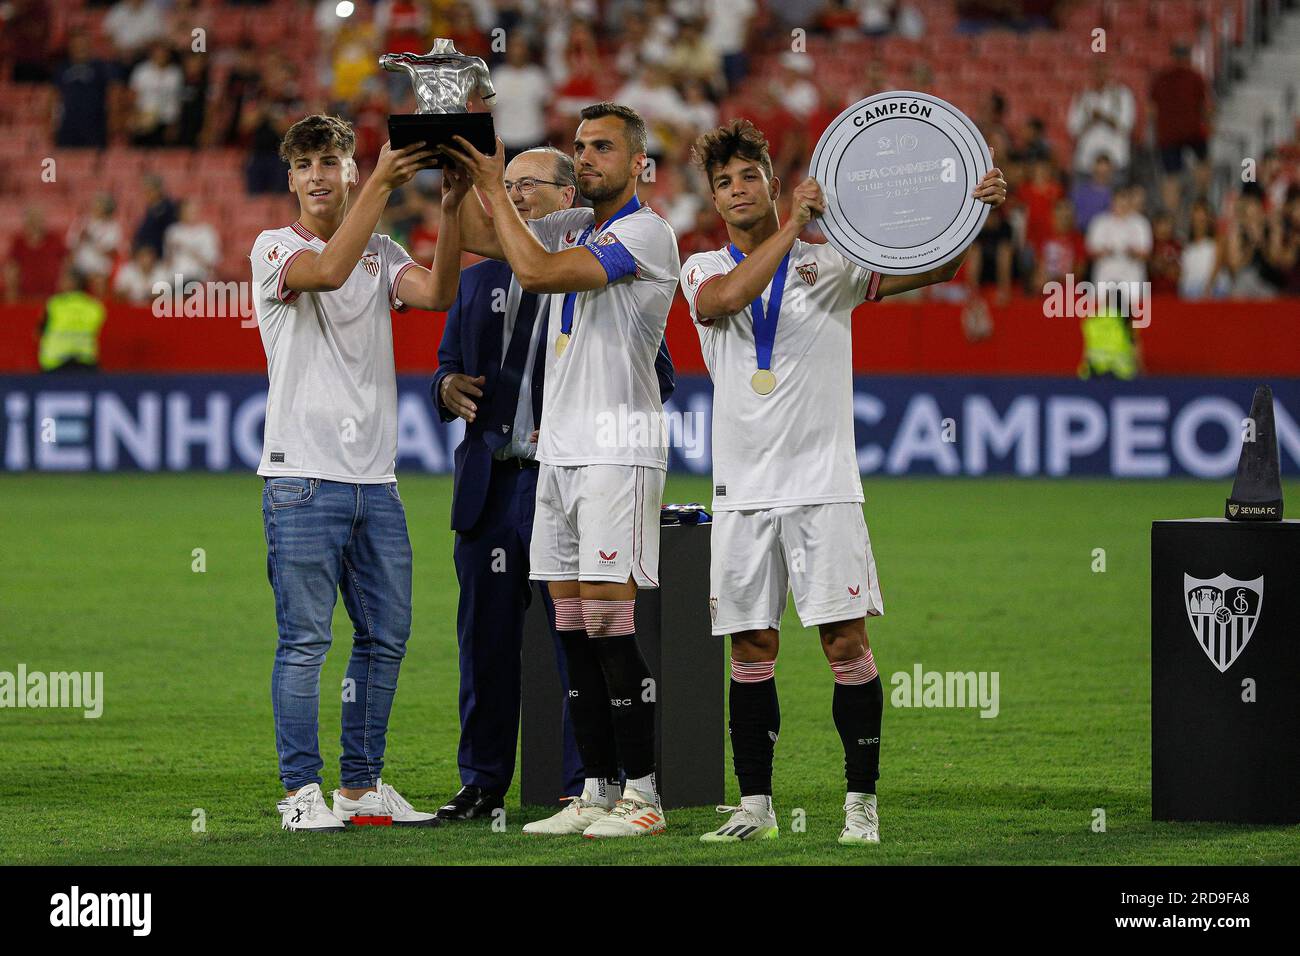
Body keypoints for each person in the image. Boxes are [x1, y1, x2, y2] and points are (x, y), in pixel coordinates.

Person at [678, 119, 1006, 845]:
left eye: (749, 177)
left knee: (844, 645)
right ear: (712, 196)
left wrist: (976, 207)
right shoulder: (699, 267)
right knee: (750, 650)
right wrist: (793, 228)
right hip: (741, 491)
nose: (737, 191)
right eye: (723, 182)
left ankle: (861, 805)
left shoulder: (835, 264)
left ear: (771, 178)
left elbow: (938, 268)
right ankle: (754, 808)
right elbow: (725, 301)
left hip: (824, 486)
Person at [443, 103, 680, 838]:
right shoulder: (578, 226)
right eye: (579, 145)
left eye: (603, 146)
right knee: (574, 628)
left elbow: (539, 273)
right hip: (561, 455)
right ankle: (597, 790)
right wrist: (463, 180)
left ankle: (644, 797)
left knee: (611, 623)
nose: (587, 156)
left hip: (618, 449)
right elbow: (486, 237)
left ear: (638, 162)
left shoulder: (645, 232)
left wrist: (491, 176)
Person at [249, 114, 457, 832]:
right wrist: (382, 182)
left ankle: (362, 788)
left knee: (386, 635)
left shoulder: (381, 246)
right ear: (291, 178)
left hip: (377, 480)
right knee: (305, 642)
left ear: (345, 170)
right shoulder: (274, 247)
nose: (315, 175)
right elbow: (328, 271)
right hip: (301, 475)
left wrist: (454, 200)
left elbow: (435, 295)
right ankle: (299, 792)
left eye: (329, 161)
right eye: (304, 163)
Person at [1067, 59, 1135, 176]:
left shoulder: (1122, 95)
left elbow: (1126, 126)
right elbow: (1073, 130)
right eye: (1096, 70)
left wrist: (1103, 116)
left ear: (1111, 72)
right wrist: (1091, 120)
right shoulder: (1082, 96)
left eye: (1104, 70)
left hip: (1115, 160)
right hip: (1087, 161)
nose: (1100, 74)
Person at [38, 266, 107, 372]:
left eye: (64, 279)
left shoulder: (54, 304)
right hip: (86, 362)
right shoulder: (95, 307)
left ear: (73, 283)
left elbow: (39, 332)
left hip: (55, 364)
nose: (60, 282)